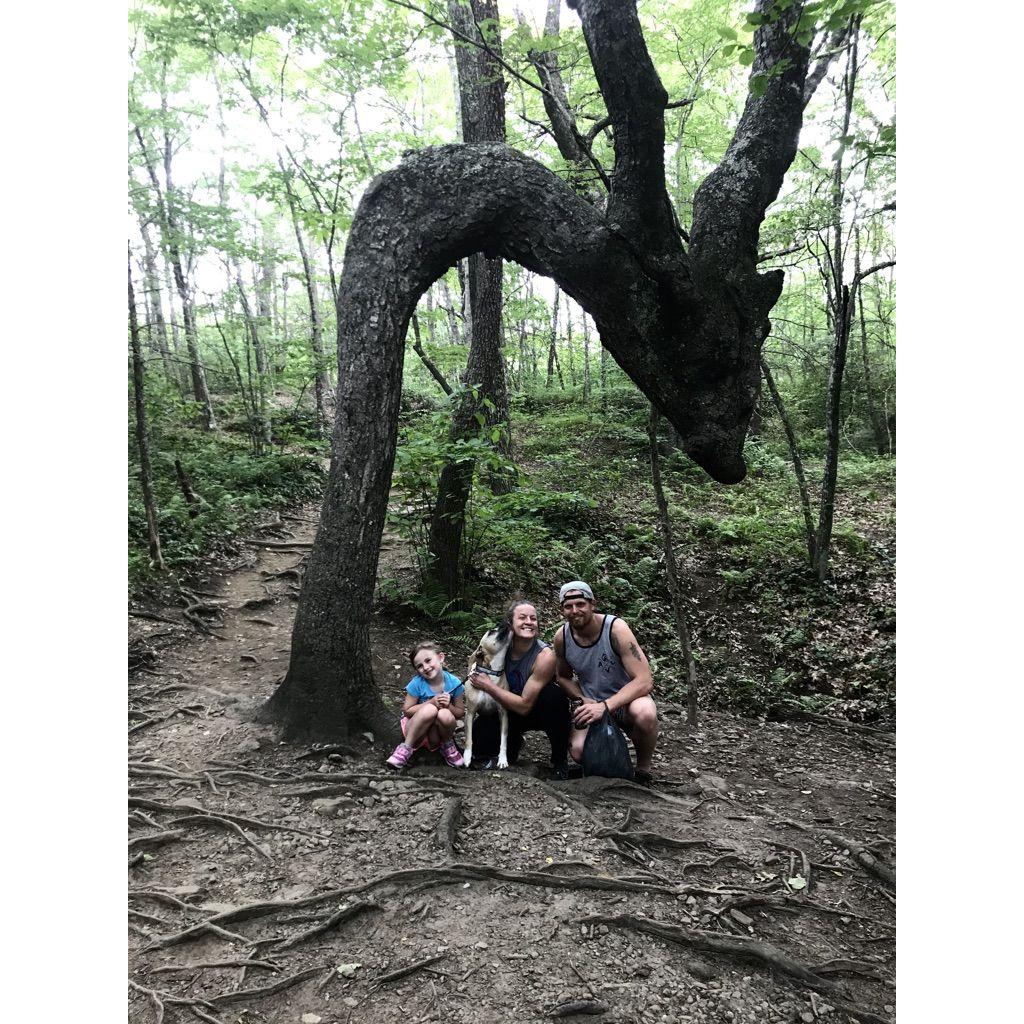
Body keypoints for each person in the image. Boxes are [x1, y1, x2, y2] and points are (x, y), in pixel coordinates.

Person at [552, 581, 659, 783]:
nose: (575, 611)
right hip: (591, 702)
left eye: (580, 604)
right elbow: (563, 677)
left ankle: (643, 769)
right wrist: (582, 698)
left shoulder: (616, 629)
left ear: (593, 604)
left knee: (645, 714)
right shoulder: (562, 637)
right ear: (562, 610)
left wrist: (606, 706)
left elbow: (645, 680)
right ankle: (610, 754)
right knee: (578, 752)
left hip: (627, 699)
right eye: (568, 606)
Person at [466, 599, 572, 780]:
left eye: (533, 618)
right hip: (506, 709)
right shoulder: (498, 647)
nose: (529, 622)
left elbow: (524, 706)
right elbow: (472, 664)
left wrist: (489, 686)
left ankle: (560, 761)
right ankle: (513, 745)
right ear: (510, 624)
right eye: (522, 618)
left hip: (536, 709)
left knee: (554, 696)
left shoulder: (544, 656)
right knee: (478, 743)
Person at [386, 642, 466, 769]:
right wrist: (431, 702)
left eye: (428, 660)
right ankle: (406, 748)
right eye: (420, 666)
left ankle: (448, 746)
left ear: (441, 657)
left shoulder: (454, 683)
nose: (426, 667)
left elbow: (460, 712)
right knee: (430, 709)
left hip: (437, 735)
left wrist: (448, 706)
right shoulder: (417, 683)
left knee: (445, 713)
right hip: (417, 731)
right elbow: (407, 710)